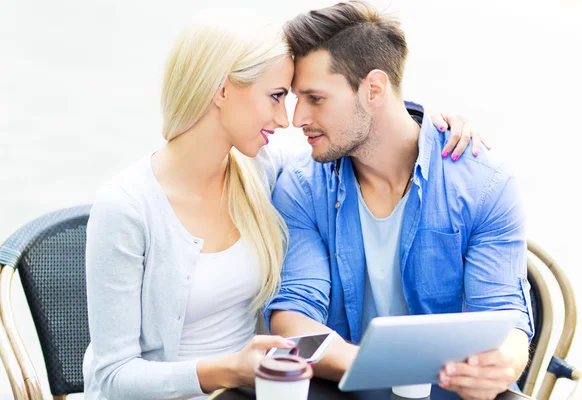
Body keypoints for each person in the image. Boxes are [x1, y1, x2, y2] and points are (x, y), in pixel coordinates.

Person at [83, 6, 481, 400]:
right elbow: (113, 377)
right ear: (221, 89)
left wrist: (430, 126)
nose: (286, 118)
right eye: (275, 97)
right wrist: (229, 369)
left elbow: (359, 136)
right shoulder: (127, 207)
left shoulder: (263, 172)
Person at [265, 2, 534, 400]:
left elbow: (506, 315)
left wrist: (503, 364)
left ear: (374, 88)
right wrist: (382, 367)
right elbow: (294, 316)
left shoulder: (484, 184)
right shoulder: (302, 186)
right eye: (293, 98)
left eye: (315, 98)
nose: (297, 117)